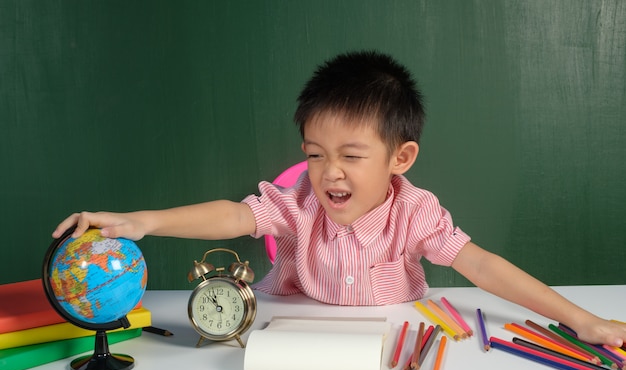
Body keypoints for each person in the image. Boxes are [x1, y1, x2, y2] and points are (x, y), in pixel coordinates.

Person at [53, 50, 626, 347]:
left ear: (399, 159)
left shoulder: (416, 212)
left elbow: (482, 266)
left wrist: (585, 322)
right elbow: (233, 214)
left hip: (392, 340)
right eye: (314, 152)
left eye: (351, 156)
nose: (329, 174)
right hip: (291, 333)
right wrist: (143, 221)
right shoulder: (297, 201)